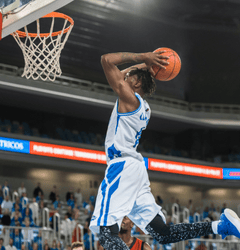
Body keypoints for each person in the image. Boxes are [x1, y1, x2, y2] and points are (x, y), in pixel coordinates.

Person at [89, 51, 240, 249]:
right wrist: (149, 64)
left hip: (122, 165)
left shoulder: (130, 100)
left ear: (135, 84)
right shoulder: (143, 106)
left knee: (106, 231)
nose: (125, 77)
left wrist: (144, 56)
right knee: (163, 233)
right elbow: (122, 72)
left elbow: (106, 60)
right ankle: (220, 226)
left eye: (130, 77)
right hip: (135, 169)